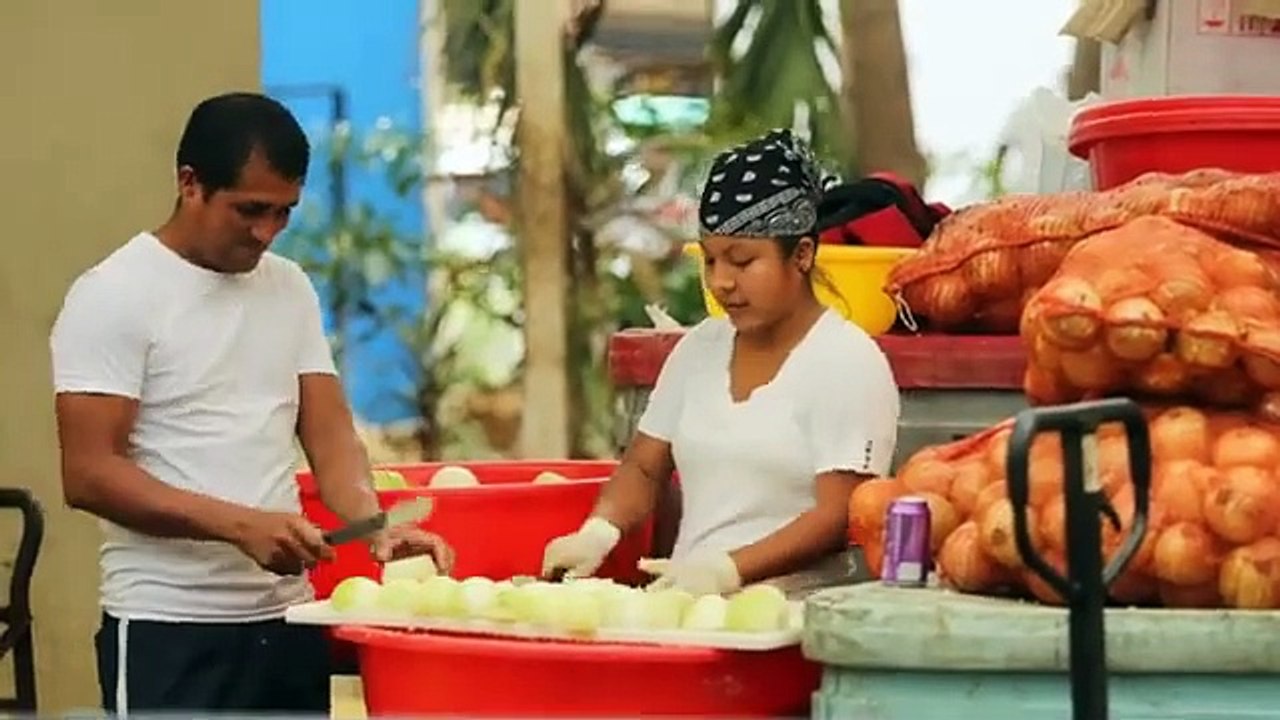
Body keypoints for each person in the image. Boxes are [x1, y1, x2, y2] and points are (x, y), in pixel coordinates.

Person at [49, 92, 455, 715]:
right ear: (190, 184)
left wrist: (374, 527)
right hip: (168, 626)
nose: (268, 231)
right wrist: (241, 525)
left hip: (286, 620)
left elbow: (329, 435)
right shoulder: (114, 294)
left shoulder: (288, 288)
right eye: (251, 210)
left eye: (285, 213)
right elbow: (88, 473)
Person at [541, 128, 901, 598]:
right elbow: (645, 467)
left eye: (742, 261)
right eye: (710, 261)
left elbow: (839, 515)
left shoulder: (848, 362)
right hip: (688, 606)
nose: (722, 282)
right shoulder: (698, 350)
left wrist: (728, 570)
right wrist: (599, 530)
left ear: (803, 255)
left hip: (788, 616)